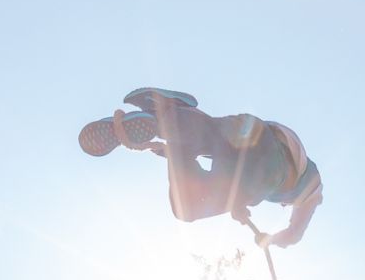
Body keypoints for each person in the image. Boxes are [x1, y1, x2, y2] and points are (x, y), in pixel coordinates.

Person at [79, 90, 322, 248]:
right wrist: (269, 240)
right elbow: (294, 234)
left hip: (248, 132)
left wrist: (236, 202)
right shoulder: (312, 190)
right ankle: (172, 127)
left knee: (189, 196)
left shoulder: (266, 183)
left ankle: (169, 115)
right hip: (268, 155)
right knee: (200, 196)